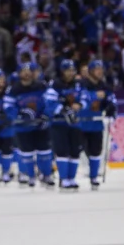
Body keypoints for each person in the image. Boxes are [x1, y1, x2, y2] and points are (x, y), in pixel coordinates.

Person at [10, 62, 54, 188]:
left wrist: (46, 115)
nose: (27, 74)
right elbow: (9, 107)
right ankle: (30, 176)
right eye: (23, 71)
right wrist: (18, 116)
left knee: (44, 151)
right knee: (27, 153)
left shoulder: (41, 86)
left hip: (41, 126)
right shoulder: (14, 90)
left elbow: (49, 103)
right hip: (23, 128)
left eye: (29, 71)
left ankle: (46, 175)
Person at [45, 60, 85, 191]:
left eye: (73, 70)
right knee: (62, 151)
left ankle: (72, 178)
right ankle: (63, 179)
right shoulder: (55, 85)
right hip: (59, 123)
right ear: (62, 71)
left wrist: (80, 105)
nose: (71, 73)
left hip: (75, 123)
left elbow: (85, 98)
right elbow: (49, 103)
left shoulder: (78, 84)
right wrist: (62, 109)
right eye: (68, 70)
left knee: (75, 151)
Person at [79, 60, 117, 190]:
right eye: (97, 69)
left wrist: (111, 108)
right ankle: (83, 171)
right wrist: (95, 96)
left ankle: (94, 177)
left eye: (101, 69)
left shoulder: (105, 86)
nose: (100, 72)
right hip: (81, 123)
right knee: (82, 150)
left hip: (96, 123)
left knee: (96, 150)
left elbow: (111, 99)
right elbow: (80, 98)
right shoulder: (81, 85)